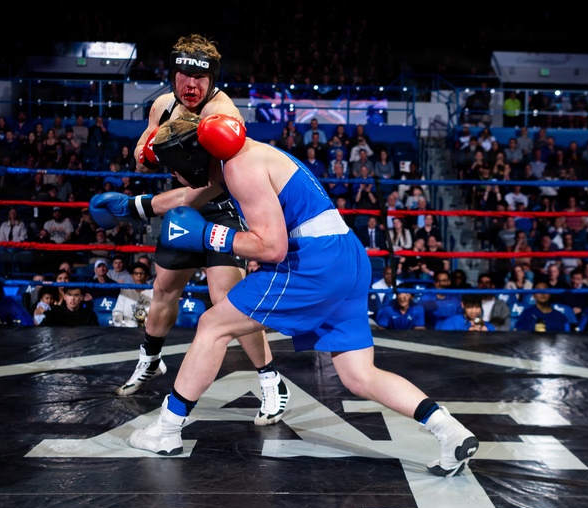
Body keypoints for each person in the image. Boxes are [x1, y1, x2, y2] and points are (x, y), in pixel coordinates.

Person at [91, 112, 479, 477]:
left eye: (172, 169)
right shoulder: (243, 154)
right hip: (347, 256)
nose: (174, 176)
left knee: (212, 325)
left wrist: (209, 234)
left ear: (190, 159)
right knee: (359, 375)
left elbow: (272, 248)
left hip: (312, 263)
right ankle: (449, 431)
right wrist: (135, 208)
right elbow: (188, 197)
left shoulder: (239, 168)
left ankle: (166, 430)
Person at [91, 33, 288, 428]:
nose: (191, 85)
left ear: (212, 77)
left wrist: (142, 207)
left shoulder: (224, 114)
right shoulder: (163, 105)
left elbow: (215, 184)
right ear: (174, 74)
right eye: (183, 75)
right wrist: (146, 152)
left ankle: (272, 381)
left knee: (226, 300)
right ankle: (150, 362)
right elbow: (141, 151)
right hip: (182, 209)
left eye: (199, 78)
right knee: (163, 289)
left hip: (221, 210)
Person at [111, 262, 154, 327]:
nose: (139, 276)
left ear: (146, 276)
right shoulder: (125, 291)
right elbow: (118, 311)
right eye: (136, 273)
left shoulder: (153, 291)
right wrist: (120, 325)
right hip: (128, 329)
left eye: (142, 273)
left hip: (149, 329)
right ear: (132, 276)